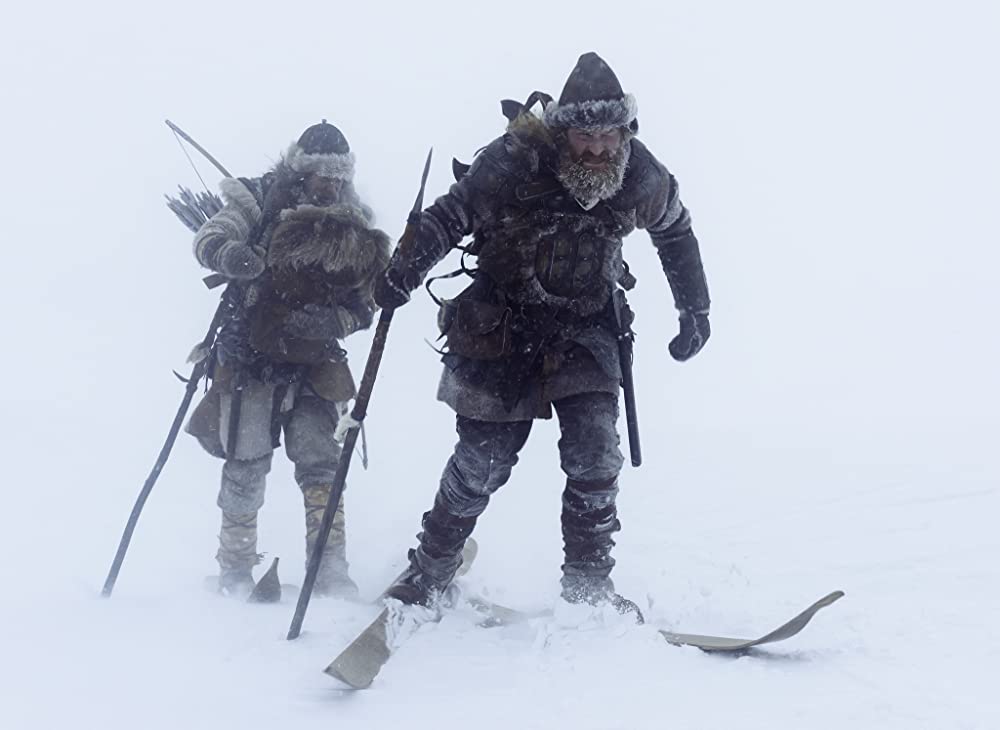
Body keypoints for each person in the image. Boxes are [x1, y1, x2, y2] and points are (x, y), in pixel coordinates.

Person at [373, 53, 711, 615]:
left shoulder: (639, 173)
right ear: (563, 131)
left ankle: (588, 584)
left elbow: (675, 231)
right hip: (503, 327)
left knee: (597, 455)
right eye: (585, 135)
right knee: (481, 463)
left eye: (610, 135)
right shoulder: (514, 163)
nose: (599, 149)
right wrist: (403, 271)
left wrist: (694, 309)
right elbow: (450, 214)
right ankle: (429, 571)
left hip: (587, 329)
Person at [186, 121, 391, 598]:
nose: (331, 183)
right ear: (300, 169)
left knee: (321, 464)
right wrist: (232, 255)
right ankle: (235, 569)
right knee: (246, 460)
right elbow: (210, 237)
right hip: (250, 358)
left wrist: (339, 321)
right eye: (322, 174)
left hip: (317, 364)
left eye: (338, 175)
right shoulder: (255, 201)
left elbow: (368, 296)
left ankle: (328, 569)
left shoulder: (353, 219)